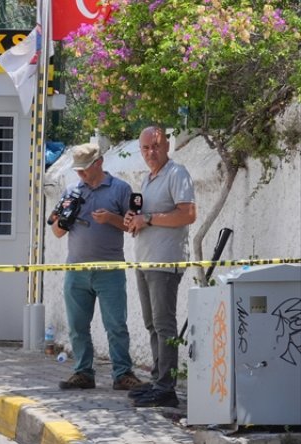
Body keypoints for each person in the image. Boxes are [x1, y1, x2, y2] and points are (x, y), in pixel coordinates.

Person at [50, 143, 145, 393]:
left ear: (99, 162)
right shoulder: (71, 191)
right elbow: (57, 232)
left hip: (109, 269)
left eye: (84, 169)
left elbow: (133, 226)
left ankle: (122, 373)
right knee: (78, 326)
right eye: (77, 170)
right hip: (76, 270)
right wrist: (63, 220)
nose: (80, 174)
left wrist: (111, 219)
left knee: (116, 324)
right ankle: (83, 372)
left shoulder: (120, 189)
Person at [124, 126, 197, 408]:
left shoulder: (177, 173)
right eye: (145, 148)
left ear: (166, 146)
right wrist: (135, 219)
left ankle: (167, 388)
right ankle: (157, 382)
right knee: (152, 324)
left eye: (155, 146)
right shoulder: (148, 178)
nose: (150, 152)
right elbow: (147, 218)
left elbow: (188, 214)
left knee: (164, 325)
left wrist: (150, 218)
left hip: (165, 262)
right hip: (145, 259)